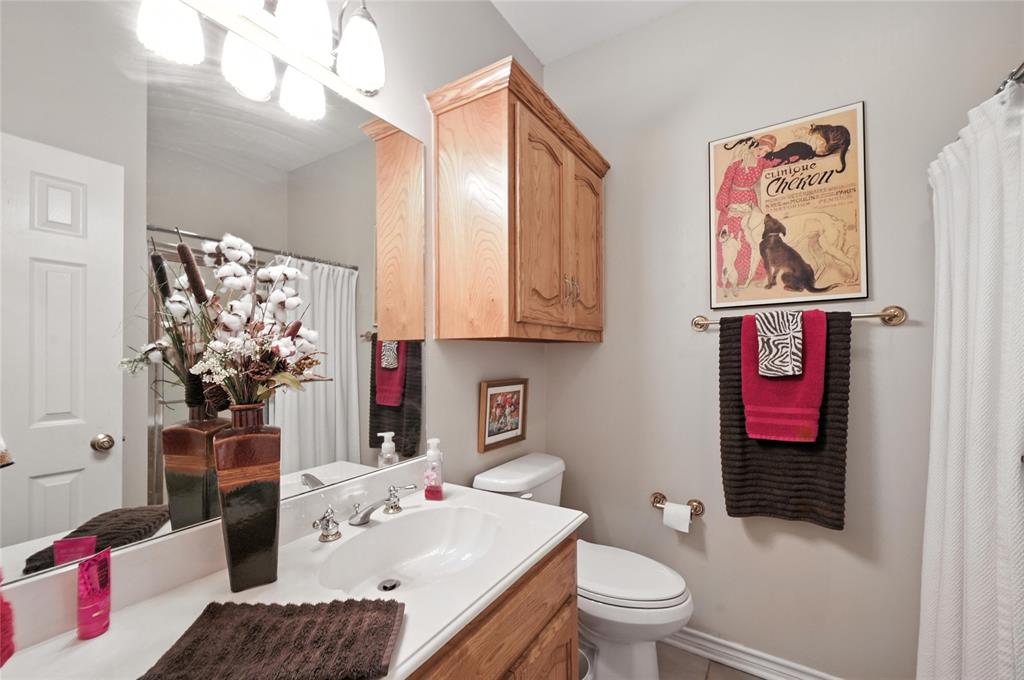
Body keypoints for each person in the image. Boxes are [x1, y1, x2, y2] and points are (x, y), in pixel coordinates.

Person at [714, 134, 781, 290]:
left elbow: (778, 162)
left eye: (766, 152)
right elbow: (726, 184)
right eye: (760, 149)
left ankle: (751, 274)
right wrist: (724, 204)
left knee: (752, 236)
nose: (761, 153)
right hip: (733, 199)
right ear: (754, 146)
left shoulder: (762, 163)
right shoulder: (736, 163)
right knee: (733, 237)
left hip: (750, 200)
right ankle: (731, 277)